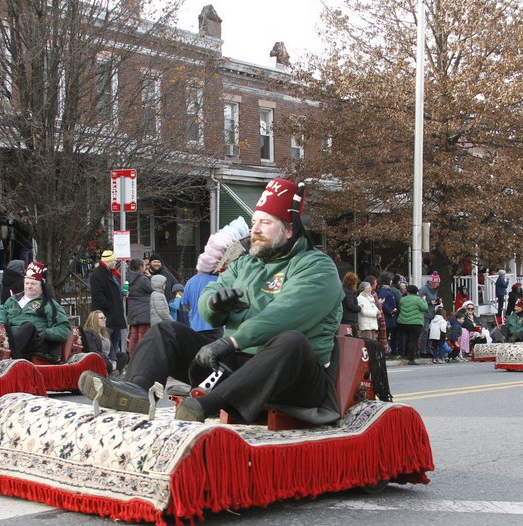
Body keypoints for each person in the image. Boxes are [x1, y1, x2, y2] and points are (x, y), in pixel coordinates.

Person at [78, 177, 344, 425]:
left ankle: (206, 406)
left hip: (296, 379)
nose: (255, 230)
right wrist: (214, 306)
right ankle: (136, 390)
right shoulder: (246, 264)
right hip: (238, 367)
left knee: (291, 340)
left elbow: (286, 313)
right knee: (166, 331)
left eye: (265, 223)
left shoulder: (317, 267)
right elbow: (209, 293)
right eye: (254, 223)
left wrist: (229, 342)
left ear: (288, 230)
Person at [0, 261, 71, 361]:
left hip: (35, 341)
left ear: (41, 286)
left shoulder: (48, 304)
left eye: (33, 284)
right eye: (27, 283)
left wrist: (46, 333)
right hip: (9, 337)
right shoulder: (13, 300)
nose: (29, 286)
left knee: (28, 326)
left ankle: (10, 357)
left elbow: (64, 329)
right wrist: (1, 324)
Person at [89, 249, 127, 357]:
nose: (115, 263)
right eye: (114, 261)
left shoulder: (111, 273)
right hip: (107, 315)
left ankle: (113, 363)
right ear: (109, 261)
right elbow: (98, 296)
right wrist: (110, 307)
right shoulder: (98, 275)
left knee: (114, 341)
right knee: (107, 343)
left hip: (113, 314)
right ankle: (109, 364)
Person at [125, 258, 152, 354]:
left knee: (134, 336)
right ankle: (143, 357)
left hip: (133, 309)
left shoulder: (127, 277)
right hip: (144, 310)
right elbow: (151, 289)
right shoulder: (142, 278)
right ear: (141, 267)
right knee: (143, 335)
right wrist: (150, 277)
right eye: (144, 266)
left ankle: (133, 357)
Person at [395, 284, 427, 365]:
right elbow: (424, 308)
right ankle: (411, 359)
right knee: (412, 341)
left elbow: (400, 308)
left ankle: (403, 354)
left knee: (404, 339)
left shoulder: (402, 299)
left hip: (402, 322)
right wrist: (424, 300)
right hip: (415, 323)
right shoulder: (419, 299)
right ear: (416, 292)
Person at [82, 310, 116, 374]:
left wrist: (114, 362)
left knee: (123, 356)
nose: (104, 320)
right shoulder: (88, 332)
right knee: (108, 364)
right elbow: (93, 351)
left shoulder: (106, 332)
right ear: (94, 320)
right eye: (101, 318)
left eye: (104, 317)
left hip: (107, 358)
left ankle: (112, 373)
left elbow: (112, 349)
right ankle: (111, 373)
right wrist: (108, 360)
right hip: (99, 359)